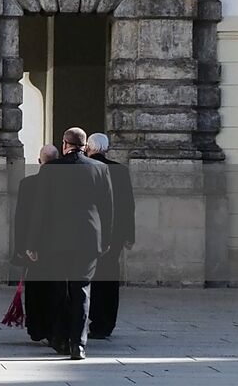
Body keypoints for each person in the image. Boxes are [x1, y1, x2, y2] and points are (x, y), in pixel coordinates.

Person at [25, 126, 113, 361]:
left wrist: (32, 242)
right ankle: (78, 345)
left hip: (56, 240)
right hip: (88, 239)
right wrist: (106, 240)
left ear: (65, 144)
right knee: (82, 291)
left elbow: (40, 209)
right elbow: (107, 209)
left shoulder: (51, 170)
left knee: (59, 290)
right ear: (85, 146)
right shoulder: (100, 168)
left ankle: (60, 338)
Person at [85, 132, 135, 339]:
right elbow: (128, 205)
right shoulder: (121, 171)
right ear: (107, 148)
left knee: (89, 277)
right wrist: (129, 235)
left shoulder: (84, 169)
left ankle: (91, 318)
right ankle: (106, 323)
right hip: (115, 234)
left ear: (88, 147)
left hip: (90, 232)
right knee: (110, 278)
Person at [12, 144, 59, 342]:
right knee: (55, 289)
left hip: (35, 244)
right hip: (57, 246)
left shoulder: (28, 183)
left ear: (40, 161)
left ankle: (36, 327)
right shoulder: (65, 184)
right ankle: (52, 326)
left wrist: (22, 247)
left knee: (35, 288)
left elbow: (21, 218)